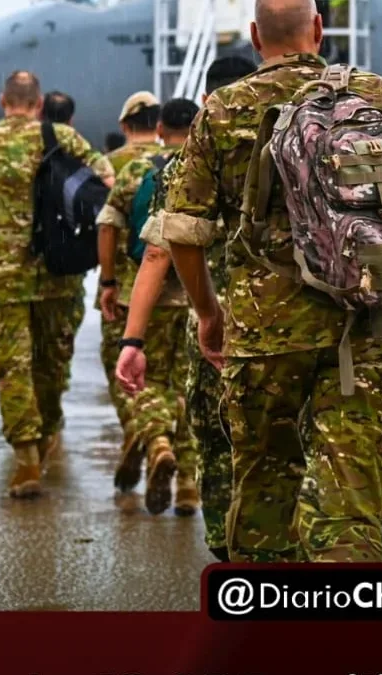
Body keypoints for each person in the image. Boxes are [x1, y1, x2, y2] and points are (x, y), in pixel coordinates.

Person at [158, 0, 382, 563]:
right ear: (318, 29)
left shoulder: (223, 109)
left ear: (253, 37)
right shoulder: (380, 96)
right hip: (368, 325)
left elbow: (184, 232)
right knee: (351, 503)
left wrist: (208, 313)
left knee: (266, 488)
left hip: (266, 336)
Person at [0, 71, 114, 498]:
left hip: (1, 279)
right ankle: (49, 432)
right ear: (37, 105)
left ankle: (26, 459)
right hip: (58, 270)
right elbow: (107, 182)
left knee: (12, 367)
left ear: (2, 102)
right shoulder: (62, 138)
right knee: (52, 364)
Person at [116, 56, 255, 558]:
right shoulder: (304, 142)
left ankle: (225, 544)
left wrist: (132, 338)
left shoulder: (189, 162)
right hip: (293, 327)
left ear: (206, 104)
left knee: (212, 428)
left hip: (211, 321)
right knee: (281, 450)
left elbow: (156, 250)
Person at [96, 98, 201, 516]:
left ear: (159, 129)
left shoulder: (138, 171)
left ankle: (157, 443)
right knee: (189, 388)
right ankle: (190, 485)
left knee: (145, 383)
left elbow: (108, 224)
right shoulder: (206, 167)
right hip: (199, 299)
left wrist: (108, 282)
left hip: (143, 295)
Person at [97, 92, 163, 446]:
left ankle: (143, 435)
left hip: (122, 286)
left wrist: (107, 279)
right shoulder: (179, 159)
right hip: (173, 283)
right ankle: (180, 473)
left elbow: (103, 225)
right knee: (169, 375)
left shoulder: (109, 164)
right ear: (159, 125)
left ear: (125, 126)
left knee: (120, 368)